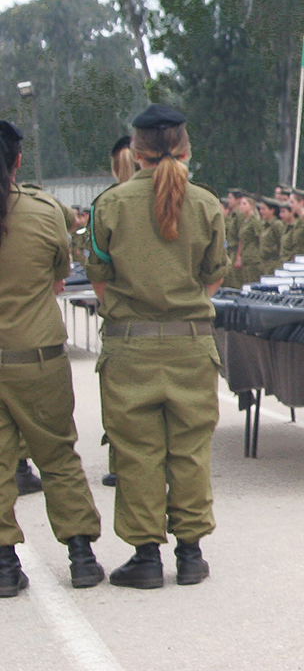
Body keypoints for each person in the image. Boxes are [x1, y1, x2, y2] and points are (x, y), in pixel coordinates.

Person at [85, 103, 227, 588]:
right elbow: (214, 277)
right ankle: (191, 554)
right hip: (191, 347)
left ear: (135, 151)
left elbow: (100, 281)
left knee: (136, 452)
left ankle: (146, 556)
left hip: (130, 348)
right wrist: (182, 306)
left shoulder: (110, 204)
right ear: (187, 149)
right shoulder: (207, 203)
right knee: (189, 450)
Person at [0, 118, 106, 597]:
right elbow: (60, 274)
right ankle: (81, 555)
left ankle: (4, 564)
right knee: (58, 455)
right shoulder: (44, 211)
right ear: (17, 161)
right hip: (36, 355)